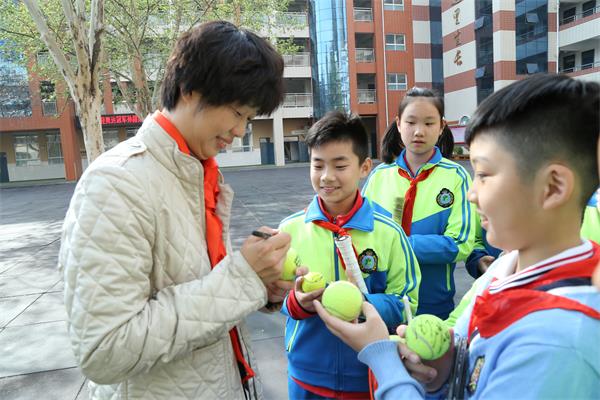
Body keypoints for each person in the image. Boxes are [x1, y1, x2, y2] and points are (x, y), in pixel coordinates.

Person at [315, 74, 600, 399]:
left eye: (484, 175)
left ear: (553, 187)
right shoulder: (505, 269)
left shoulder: (557, 345)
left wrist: (381, 357)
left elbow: (457, 245)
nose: (471, 194)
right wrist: (445, 370)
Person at [58, 21, 300, 399]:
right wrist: (241, 279)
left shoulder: (197, 174)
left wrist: (259, 286)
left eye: (249, 119)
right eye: (238, 112)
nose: (241, 131)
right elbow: (104, 350)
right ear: (190, 89)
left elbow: (196, 289)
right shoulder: (115, 184)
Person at [278, 111, 421, 399]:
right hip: (307, 375)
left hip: (367, 376)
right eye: (317, 165)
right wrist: (298, 303)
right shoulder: (289, 230)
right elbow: (274, 296)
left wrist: (361, 304)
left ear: (365, 167)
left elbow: (407, 302)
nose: (326, 177)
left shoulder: (388, 232)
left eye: (340, 165)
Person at [362, 87, 475, 319]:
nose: (418, 131)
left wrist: (400, 247)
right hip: (383, 302)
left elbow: (461, 244)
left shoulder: (456, 176)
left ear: (442, 126)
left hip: (434, 304)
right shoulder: (379, 176)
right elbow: (362, 232)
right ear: (398, 123)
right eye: (411, 122)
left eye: (429, 123)